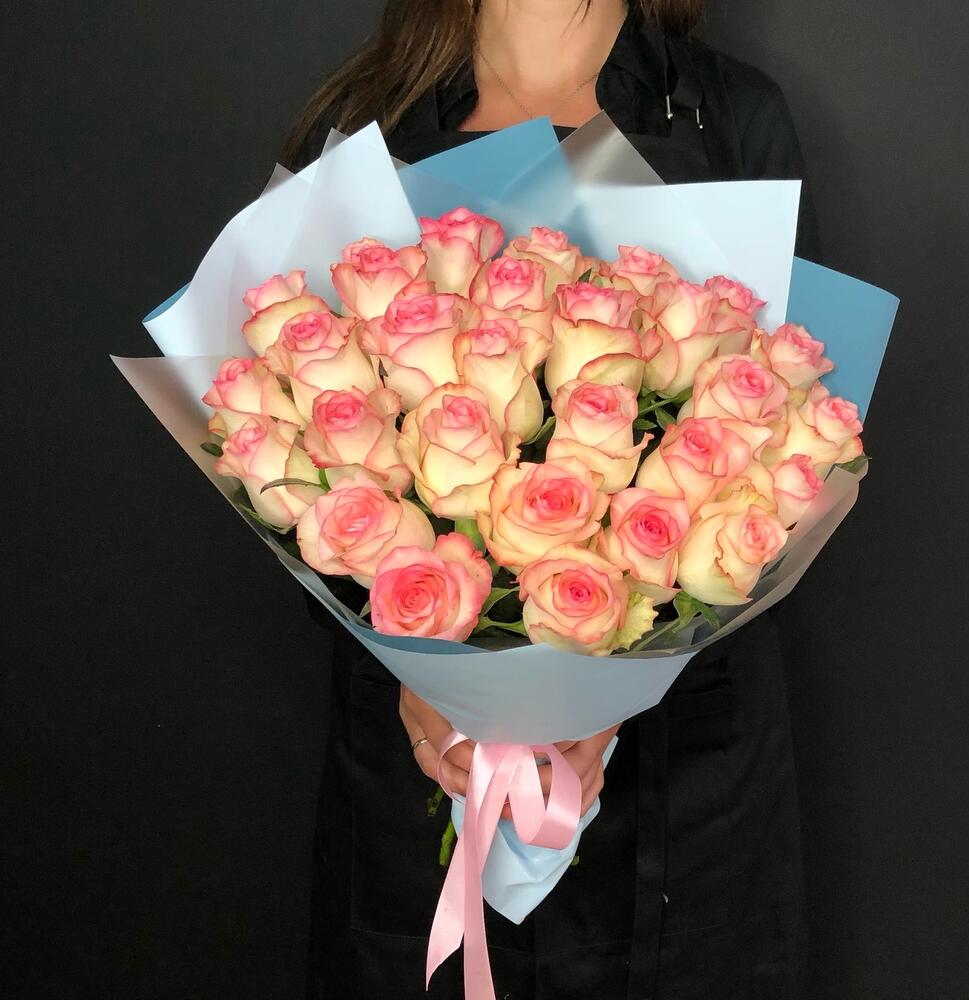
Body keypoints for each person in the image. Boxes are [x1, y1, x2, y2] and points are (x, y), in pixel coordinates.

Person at [283, 2, 820, 997]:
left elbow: (803, 447)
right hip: (423, 770)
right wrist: (418, 664)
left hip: (682, 790)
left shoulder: (732, 118)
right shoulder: (364, 123)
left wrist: (612, 688)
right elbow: (287, 455)